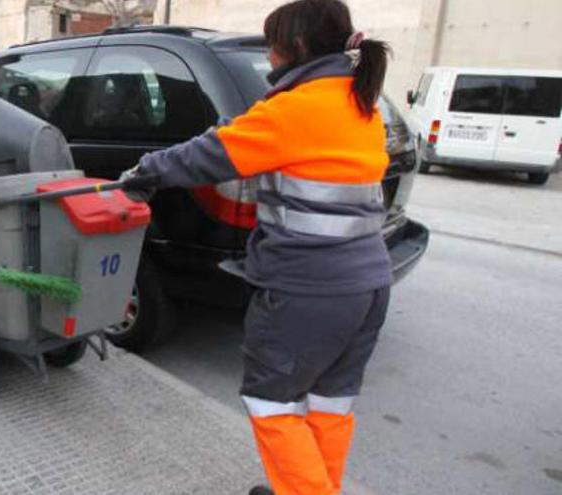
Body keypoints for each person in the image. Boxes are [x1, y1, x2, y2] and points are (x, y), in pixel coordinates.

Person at [122, 1, 393, 493]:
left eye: (271, 45)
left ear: (298, 47)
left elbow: (207, 154)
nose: (269, 57)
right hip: (369, 283)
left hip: (308, 290)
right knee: (330, 403)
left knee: (272, 402)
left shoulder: (292, 110)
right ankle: (312, 484)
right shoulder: (362, 104)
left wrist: (142, 174)